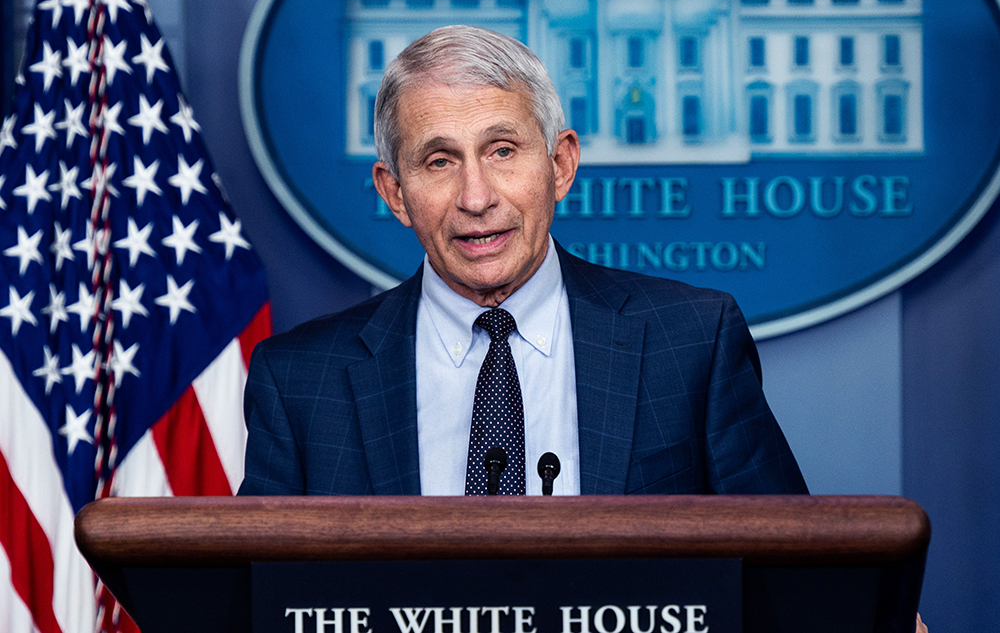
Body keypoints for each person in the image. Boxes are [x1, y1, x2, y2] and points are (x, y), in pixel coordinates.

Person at [238, 25, 807, 497]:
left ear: (560, 165)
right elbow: (255, 605)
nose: (477, 197)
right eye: (439, 161)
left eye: (502, 151)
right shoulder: (298, 381)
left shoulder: (691, 342)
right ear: (394, 193)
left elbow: (788, 576)